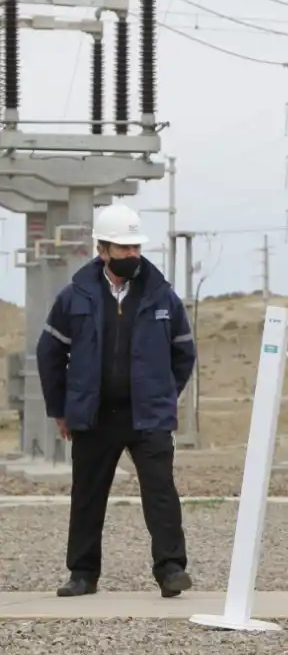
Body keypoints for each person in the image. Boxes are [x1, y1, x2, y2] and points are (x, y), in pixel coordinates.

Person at [36, 202, 198, 599]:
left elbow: (184, 352)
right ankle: (82, 574)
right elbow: (49, 353)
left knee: (160, 492)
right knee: (87, 495)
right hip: (95, 415)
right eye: (124, 248)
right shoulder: (74, 296)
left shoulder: (163, 296)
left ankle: (171, 570)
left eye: (136, 247)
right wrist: (60, 408)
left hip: (148, 416)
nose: (132, 254)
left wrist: (163, 394)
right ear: (103, 249)